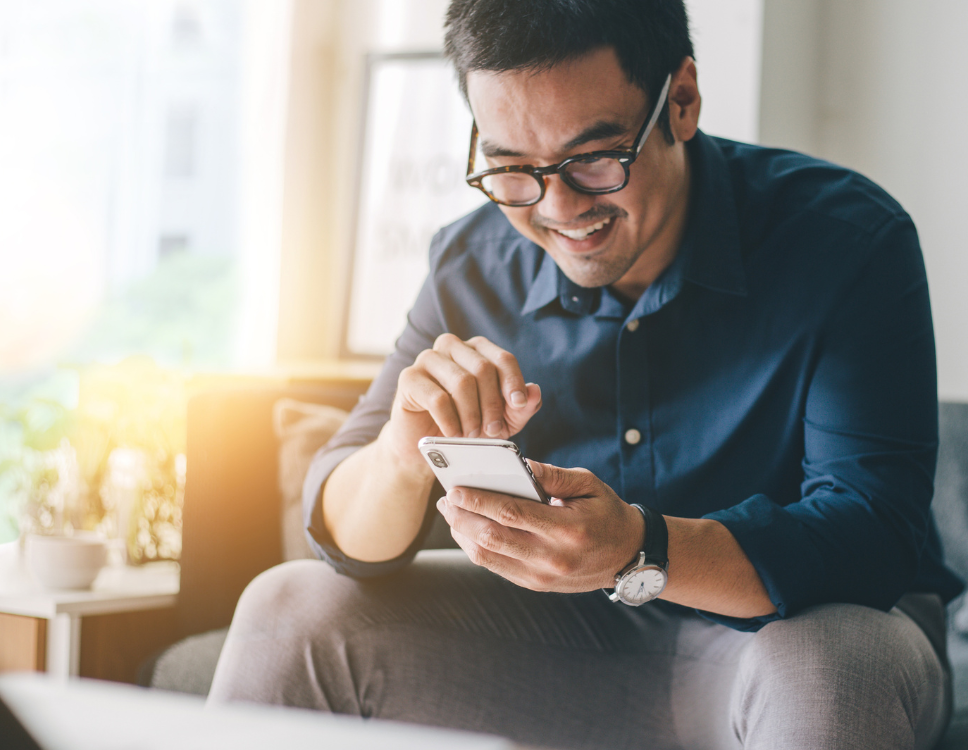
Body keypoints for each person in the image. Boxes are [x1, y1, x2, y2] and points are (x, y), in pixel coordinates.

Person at [209, 1, 963, 747]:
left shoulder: (847, 241)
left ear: (682, 101)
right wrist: (402, 458)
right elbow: (342, 535)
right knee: (289, 611)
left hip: (798, 640)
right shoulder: (471, 265)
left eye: (595, 159)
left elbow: (873, 536)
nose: (558, 207)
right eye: (510, 167)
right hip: (571, 648)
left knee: (829, 665)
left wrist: (641, 549)